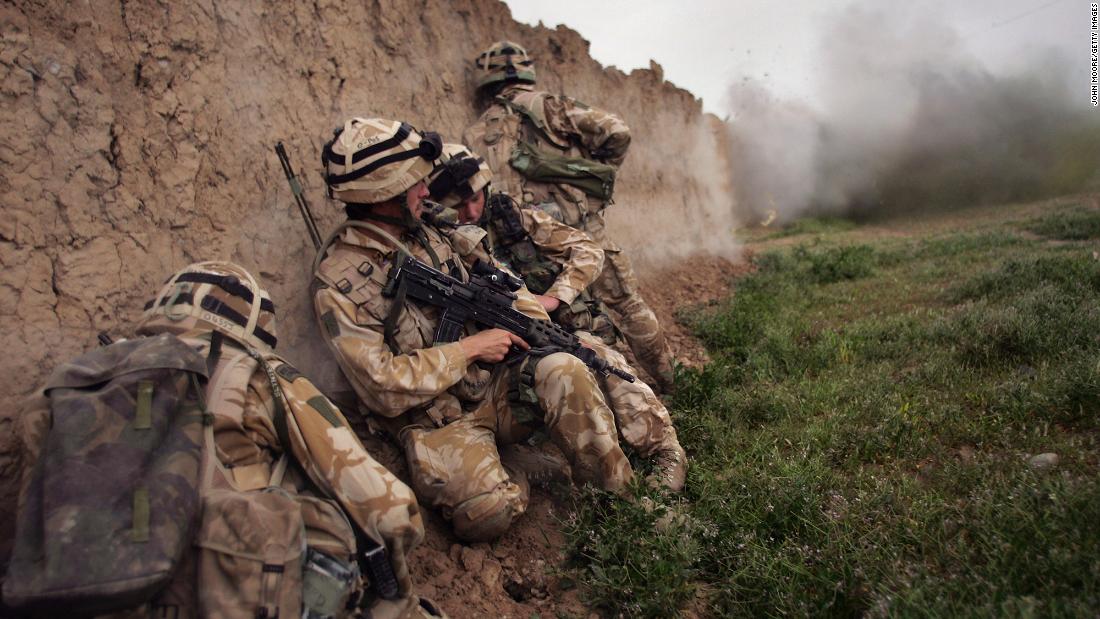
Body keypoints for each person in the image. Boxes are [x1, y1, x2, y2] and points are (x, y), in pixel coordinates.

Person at [9, 261, 439, 618]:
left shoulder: (68, 386)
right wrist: (393, 600)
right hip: (218, 594)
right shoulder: (258, 375)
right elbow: (386, 508)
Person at [311, 117, 639, 542]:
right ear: (382, 193)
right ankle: (514, 464)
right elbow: (381, 387)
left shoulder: (435, 232)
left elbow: (503, 283)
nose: (426, 191)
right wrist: (468, 349)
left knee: (566, 369)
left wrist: (538, 329)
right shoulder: (338, 284)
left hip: (492, 388)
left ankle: (620, 502)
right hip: (438, 422)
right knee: (488, 514)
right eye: (415, 184)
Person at [427, 143, 686, 491]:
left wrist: (554, 297)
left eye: (476, 198)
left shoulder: (513, 217)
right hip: (494, 359)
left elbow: (588, 250)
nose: (472, 211)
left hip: (548, 332)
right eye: (458, 206)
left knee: (600, 359)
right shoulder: (437, 244)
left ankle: (662, 449)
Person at [464, 40, 677, 393]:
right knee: (626, 304)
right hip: (582, 233)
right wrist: (591, 174)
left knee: (567, 329)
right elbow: (616, 131)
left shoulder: (474, 133)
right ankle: (669, 385)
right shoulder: (549, 106)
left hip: (526, 248)